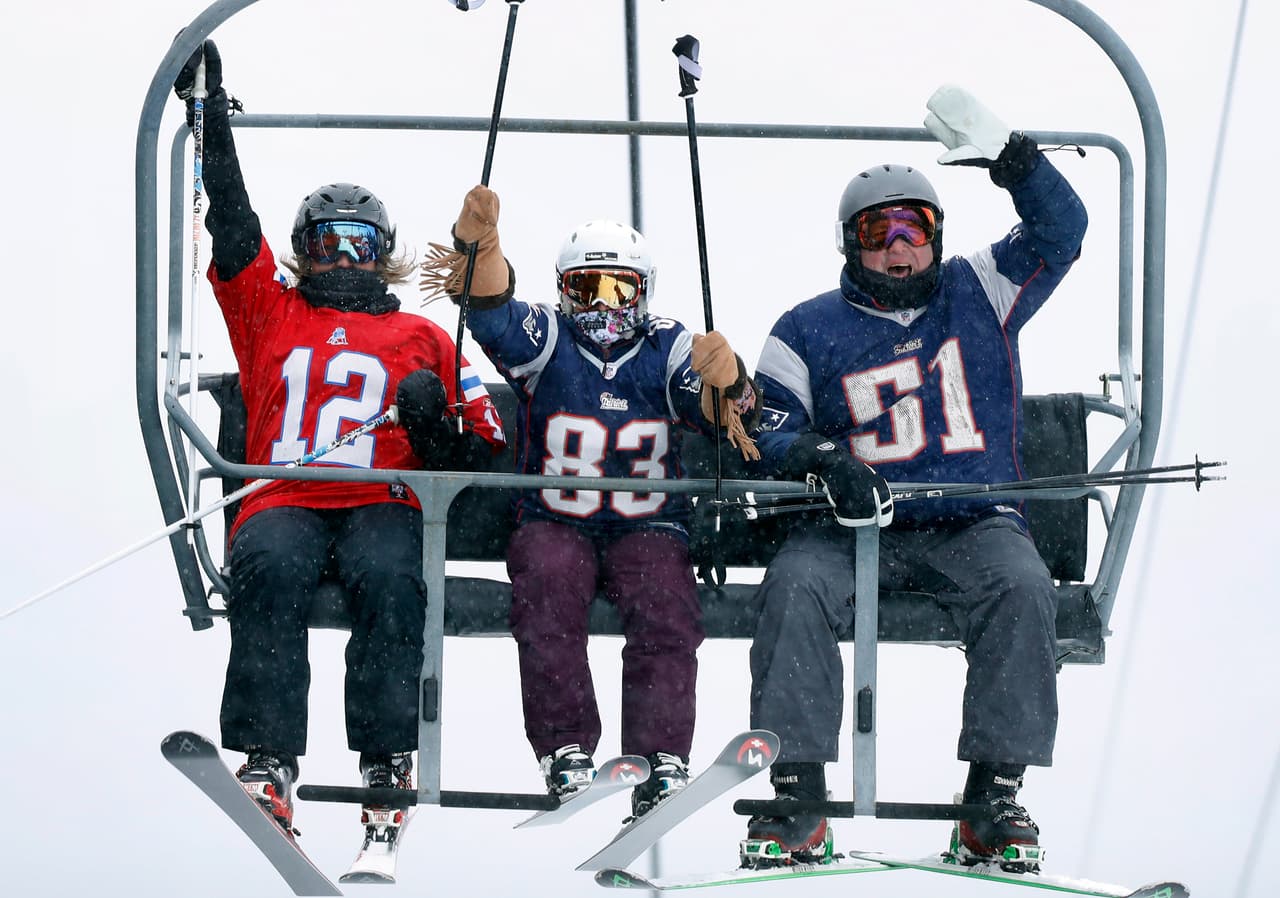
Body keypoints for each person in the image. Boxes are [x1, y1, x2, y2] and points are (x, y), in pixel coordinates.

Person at [741, 85, 1088, 870]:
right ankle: (798, 793)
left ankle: (991, 797)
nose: (900, 247)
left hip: (971, 520)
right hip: (851, 526)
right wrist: (825, 461)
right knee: (793, 585)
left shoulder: (982, 287)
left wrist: (1015, 158)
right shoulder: (804, 329)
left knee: (1024, 587)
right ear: (849, 243)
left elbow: (1063, 232)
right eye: (878, 231)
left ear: (936, 236)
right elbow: (766, 425)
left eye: (915, 228)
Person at [171, 41, 506, 839]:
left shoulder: (425, 335)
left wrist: (433, 423)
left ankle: (387, 755)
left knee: (391, 578)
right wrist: (212, 119)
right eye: (326, 244)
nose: (342, 259)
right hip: (283, 492)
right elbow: (232, 223)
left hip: (383, 500)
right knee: (266, 566)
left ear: (383, 253)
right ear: (303, 254)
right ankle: (269, 757)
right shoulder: (270, 313)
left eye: (358, 244)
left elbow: (486, 455)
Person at [421, 186, 761, 819]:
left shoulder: (669, 348)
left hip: (648, 520)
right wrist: (480, 253)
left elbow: (719, 413)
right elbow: (492, 312)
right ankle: (567, 746)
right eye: (586, 290)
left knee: (666, 610)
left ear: (646, 291)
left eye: (619, 289)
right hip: (557, 517)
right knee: (545, 594)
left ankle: (661, 756)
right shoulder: (549, 338)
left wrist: (731, 383)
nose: (603, 307)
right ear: (562, 291)